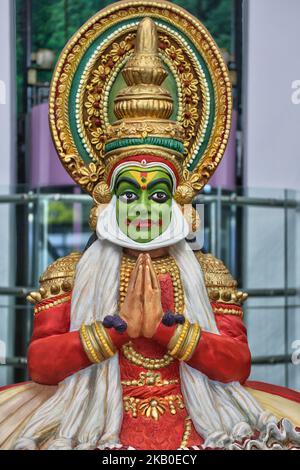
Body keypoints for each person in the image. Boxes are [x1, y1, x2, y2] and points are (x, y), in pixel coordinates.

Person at [0, 1, 299, 450]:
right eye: (129, 194)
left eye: (158, 195)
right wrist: (113, 331)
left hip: (201, 422)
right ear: (106, 198)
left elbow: (236, 364)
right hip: (94, 424)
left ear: (181, 198)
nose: (144, 208)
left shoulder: (208, 274)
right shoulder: (71, 271)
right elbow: (41, 363)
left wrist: (167, 329)